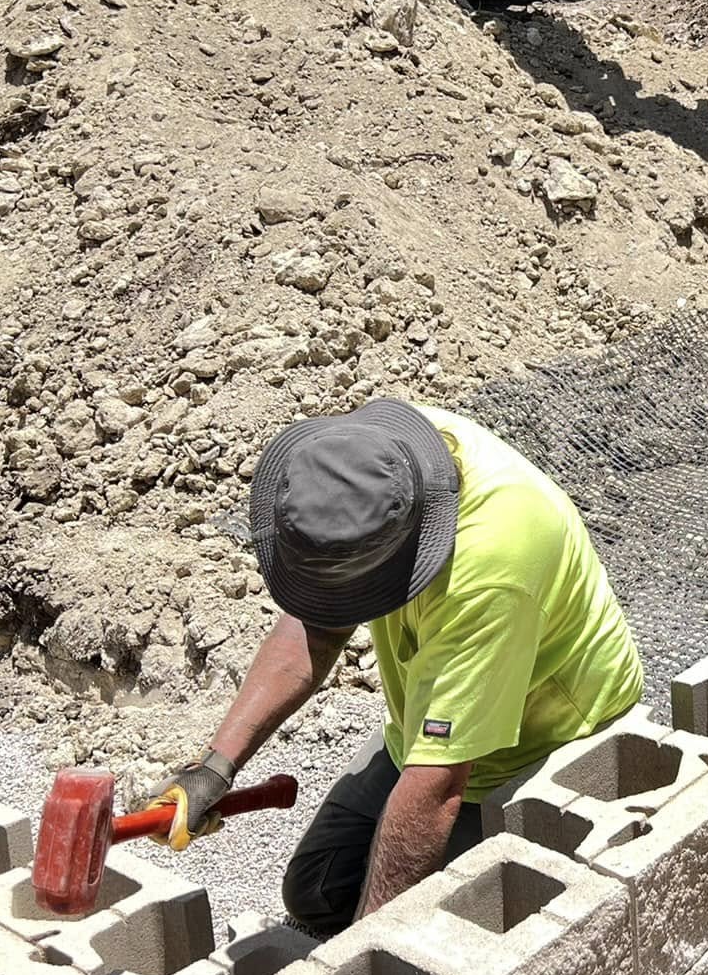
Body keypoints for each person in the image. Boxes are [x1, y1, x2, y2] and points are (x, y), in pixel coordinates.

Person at [147, 397, 642, 931]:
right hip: (428, 720)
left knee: (481, 922)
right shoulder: (369, 462)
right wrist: (215, 767)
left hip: (546, 739)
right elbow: (315, 622)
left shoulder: (492, 566)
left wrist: (365, 963)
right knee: (316, 892)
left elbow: (438, 782)